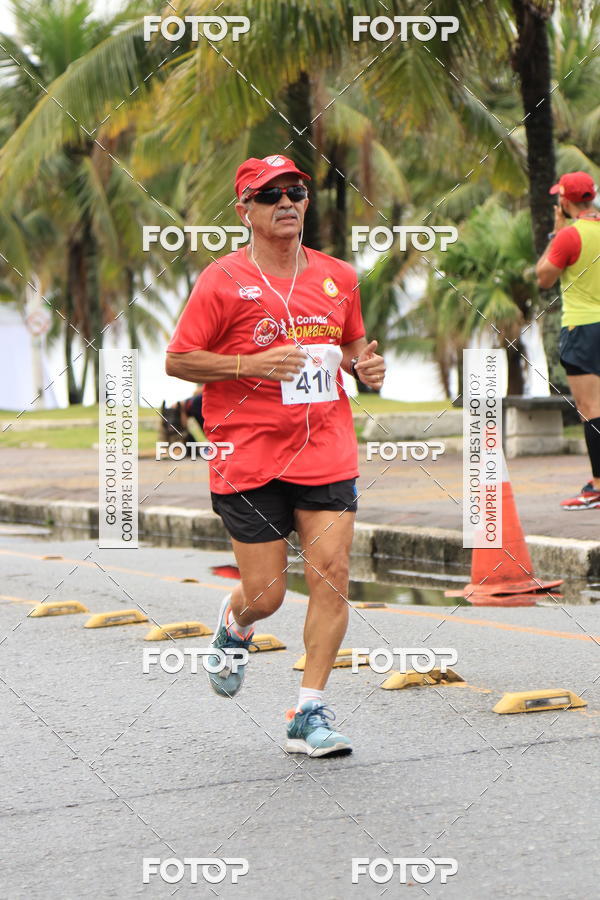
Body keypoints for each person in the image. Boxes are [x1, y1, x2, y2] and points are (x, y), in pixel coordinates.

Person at [166, 154, 385, 756]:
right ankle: (236, 623)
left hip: (327, 450)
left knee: (333, 577)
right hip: (250, 455)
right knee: (267, 594)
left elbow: (356, 350)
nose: (287, 202)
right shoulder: (222, 280)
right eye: (270, 195)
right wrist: (248, 365)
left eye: (295, 191)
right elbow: (179, 360)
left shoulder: (339, 275)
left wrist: (369, 368)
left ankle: (308, 711)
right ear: (246, 210)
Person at [536, 171, 600, 510]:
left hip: (582, 329)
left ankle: (598, 486)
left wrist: (557, 234)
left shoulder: (570, 236)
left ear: (564, 200)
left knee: (591, 410)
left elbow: (543, 277)